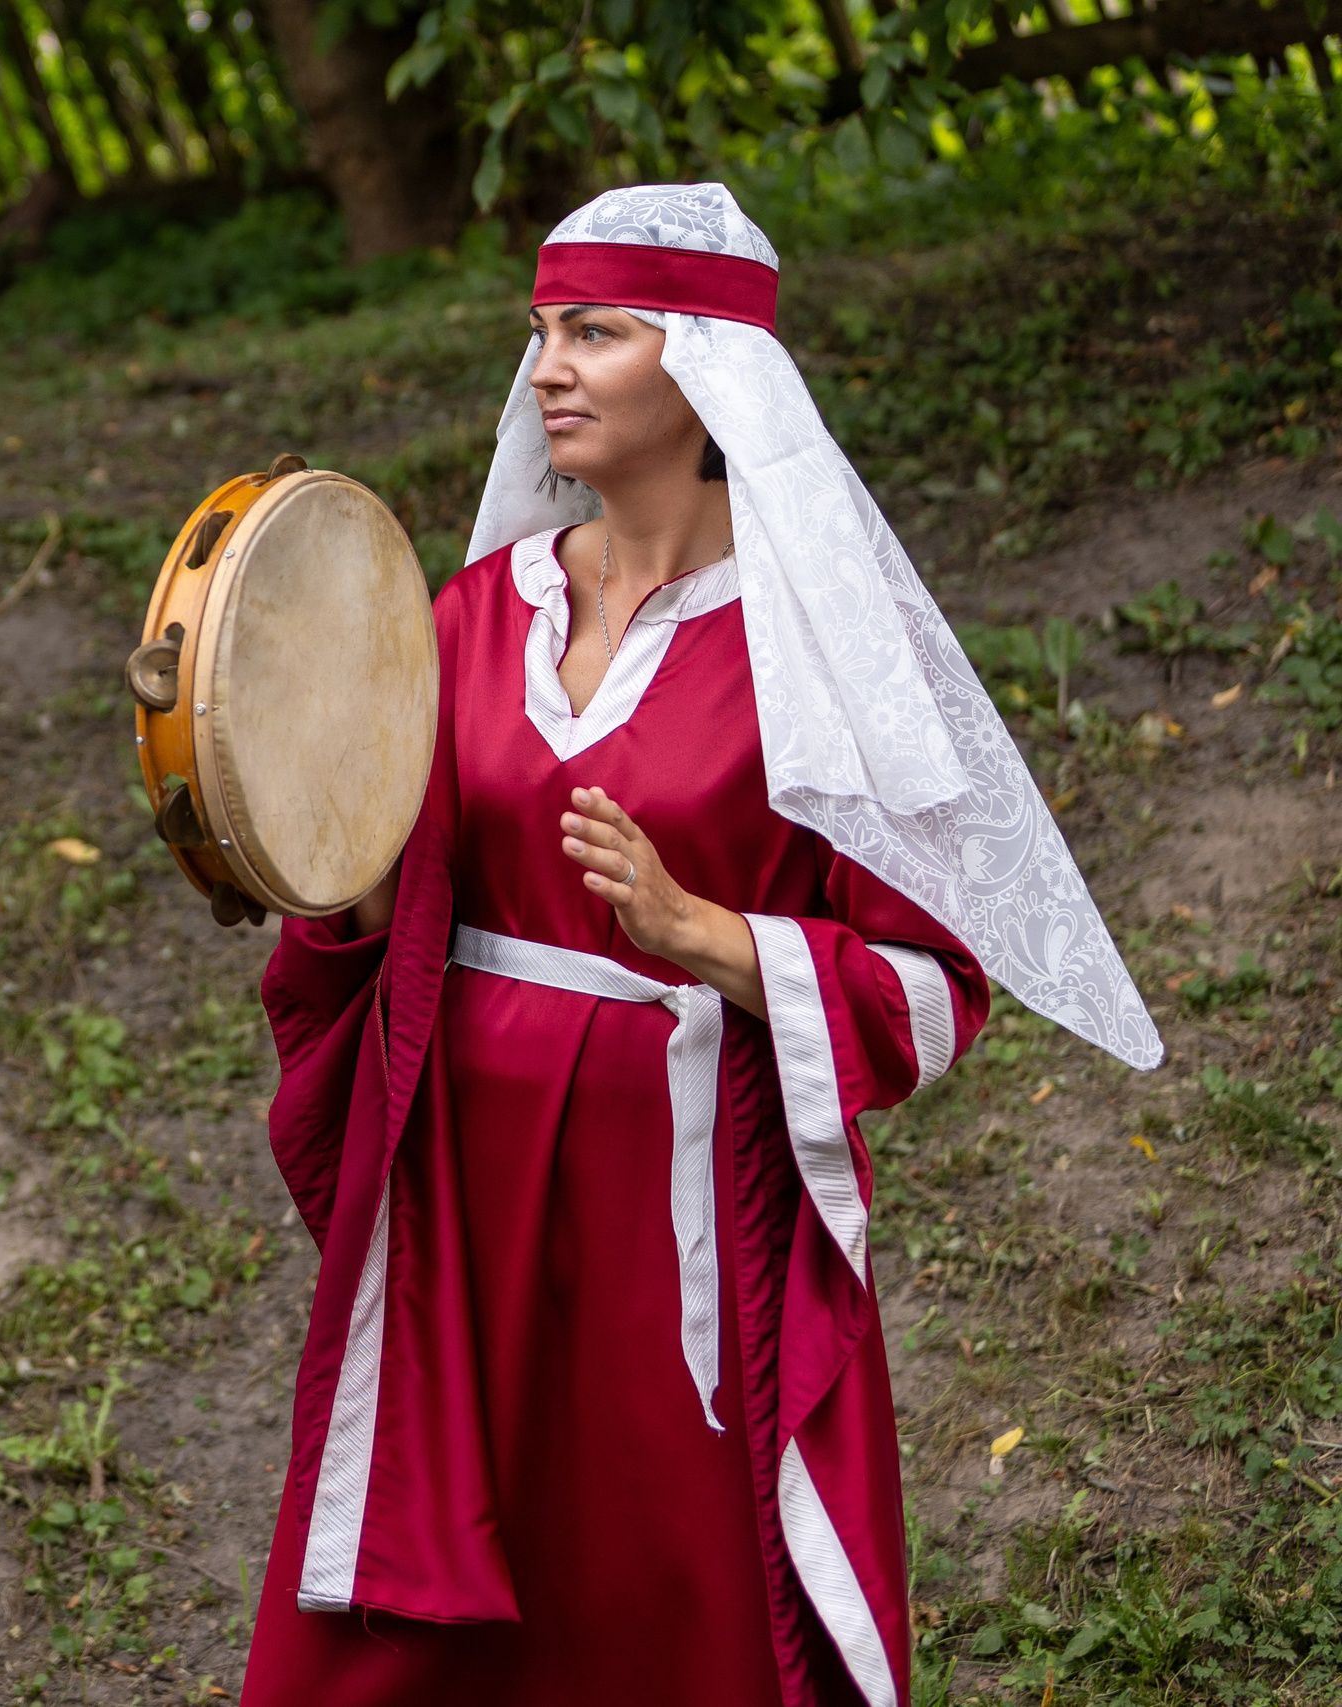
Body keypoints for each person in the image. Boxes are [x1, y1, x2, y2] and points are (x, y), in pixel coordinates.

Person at [239, 184, 1160, 1707]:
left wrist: (701, 934)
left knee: (660, 1590)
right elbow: (375, 895)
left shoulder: (816, 654)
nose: (546, 368)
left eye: (594, 333)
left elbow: (934, 991)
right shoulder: (472, 614)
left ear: (712, 370)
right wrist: (308, 874)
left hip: (677, 1215)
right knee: (417, 1599)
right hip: (461, 1193)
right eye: (539, 333)